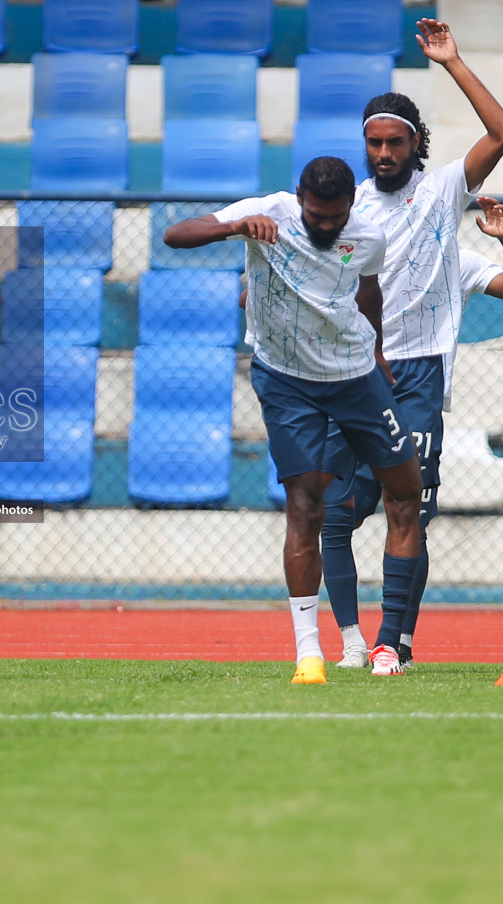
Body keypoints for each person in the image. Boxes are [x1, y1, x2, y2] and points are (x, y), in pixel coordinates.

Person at [163, 157, 425, 682]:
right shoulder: (268, 212)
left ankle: (390, 646)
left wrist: (375, 353)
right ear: (301, 197)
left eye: (335, 218)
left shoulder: (368, 237)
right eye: (315, 216)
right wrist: (235, 227)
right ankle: (309, 653)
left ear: (352, 203)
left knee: (406, 493)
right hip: (286, 381)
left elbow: (368, 293)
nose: (325, 227)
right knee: (305, 506)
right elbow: (175, 235)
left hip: (355, 378)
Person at [320, 18, 503, 672]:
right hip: (356, 373)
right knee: (341, 511)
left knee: (411, 507)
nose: (382, 153)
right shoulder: (347, 216)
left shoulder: (440, 193)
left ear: (413, 144)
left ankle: (393, 641)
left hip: (418, 375)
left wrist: (453, 63)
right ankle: (357, 640)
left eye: (393, 142)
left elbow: (502, 133)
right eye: (373, 143)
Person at [324, 198, 503, 669]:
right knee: (334, 518)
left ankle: (395, 641)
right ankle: (352, 644)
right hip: (358, 392)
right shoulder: (364, 248)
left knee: (410, 521)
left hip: (417, 397)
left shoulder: (456, 260)